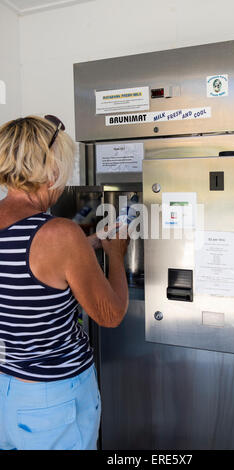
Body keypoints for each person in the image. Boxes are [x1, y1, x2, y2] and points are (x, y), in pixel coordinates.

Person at [0, 115, 129, 450]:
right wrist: (117, 254)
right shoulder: (59, 233)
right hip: (52, 397)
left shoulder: (47, 238)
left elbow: (26, 272)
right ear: (51, 170)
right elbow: (110, 315)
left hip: (6, 388)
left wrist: (88, 246)